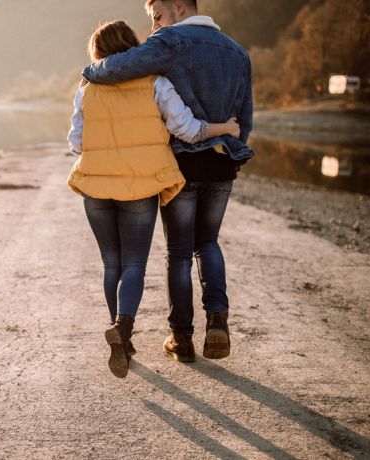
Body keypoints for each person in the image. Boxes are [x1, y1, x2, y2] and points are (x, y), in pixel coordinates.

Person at [81, 0, 254, 364]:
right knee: (208, 242)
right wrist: (233, 150)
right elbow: (246, 114)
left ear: (177, 7)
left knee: (178, 253)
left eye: (157, 15)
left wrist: (89, 71)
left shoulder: (170, 42)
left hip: (183, 165)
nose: (156, 25)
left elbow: (122, 64)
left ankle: (181, 337)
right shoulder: (239, 52)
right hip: (222, 162)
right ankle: (218, 318)